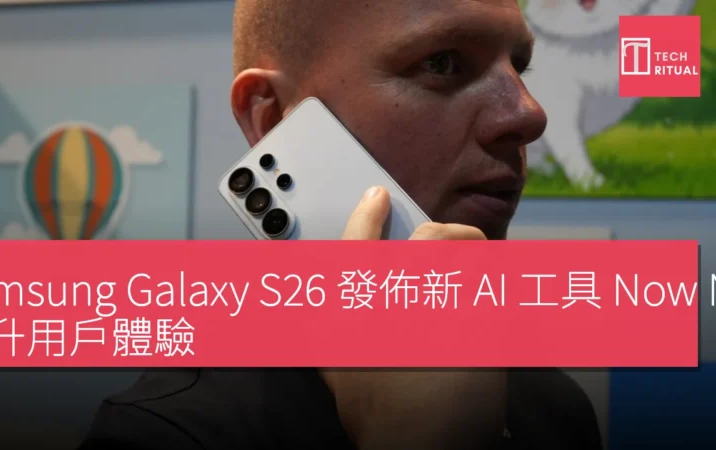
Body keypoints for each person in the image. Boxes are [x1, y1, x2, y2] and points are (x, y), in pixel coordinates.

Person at [78, 0, 602, 449]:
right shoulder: (160, 435)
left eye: (520, 66)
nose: (529, 114)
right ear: (273, 118)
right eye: (442, 62)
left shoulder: (558, 409)